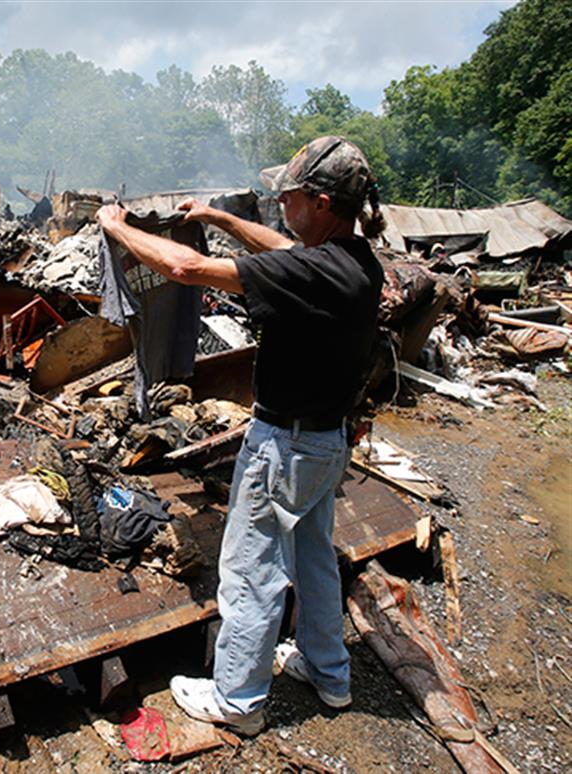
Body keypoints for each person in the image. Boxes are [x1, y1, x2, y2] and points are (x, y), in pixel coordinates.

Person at [96, 136, 385, 735]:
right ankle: (328, 674)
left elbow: (183, 268)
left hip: (286, 445)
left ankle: (239, 699)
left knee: (251, 567)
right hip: (327, 444)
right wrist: (219, 218)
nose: (282, 201)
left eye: (293, 193)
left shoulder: (313, 270)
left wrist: (116, 227)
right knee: (313, 560)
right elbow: (280, 248)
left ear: (323, 202)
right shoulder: (354, 261)